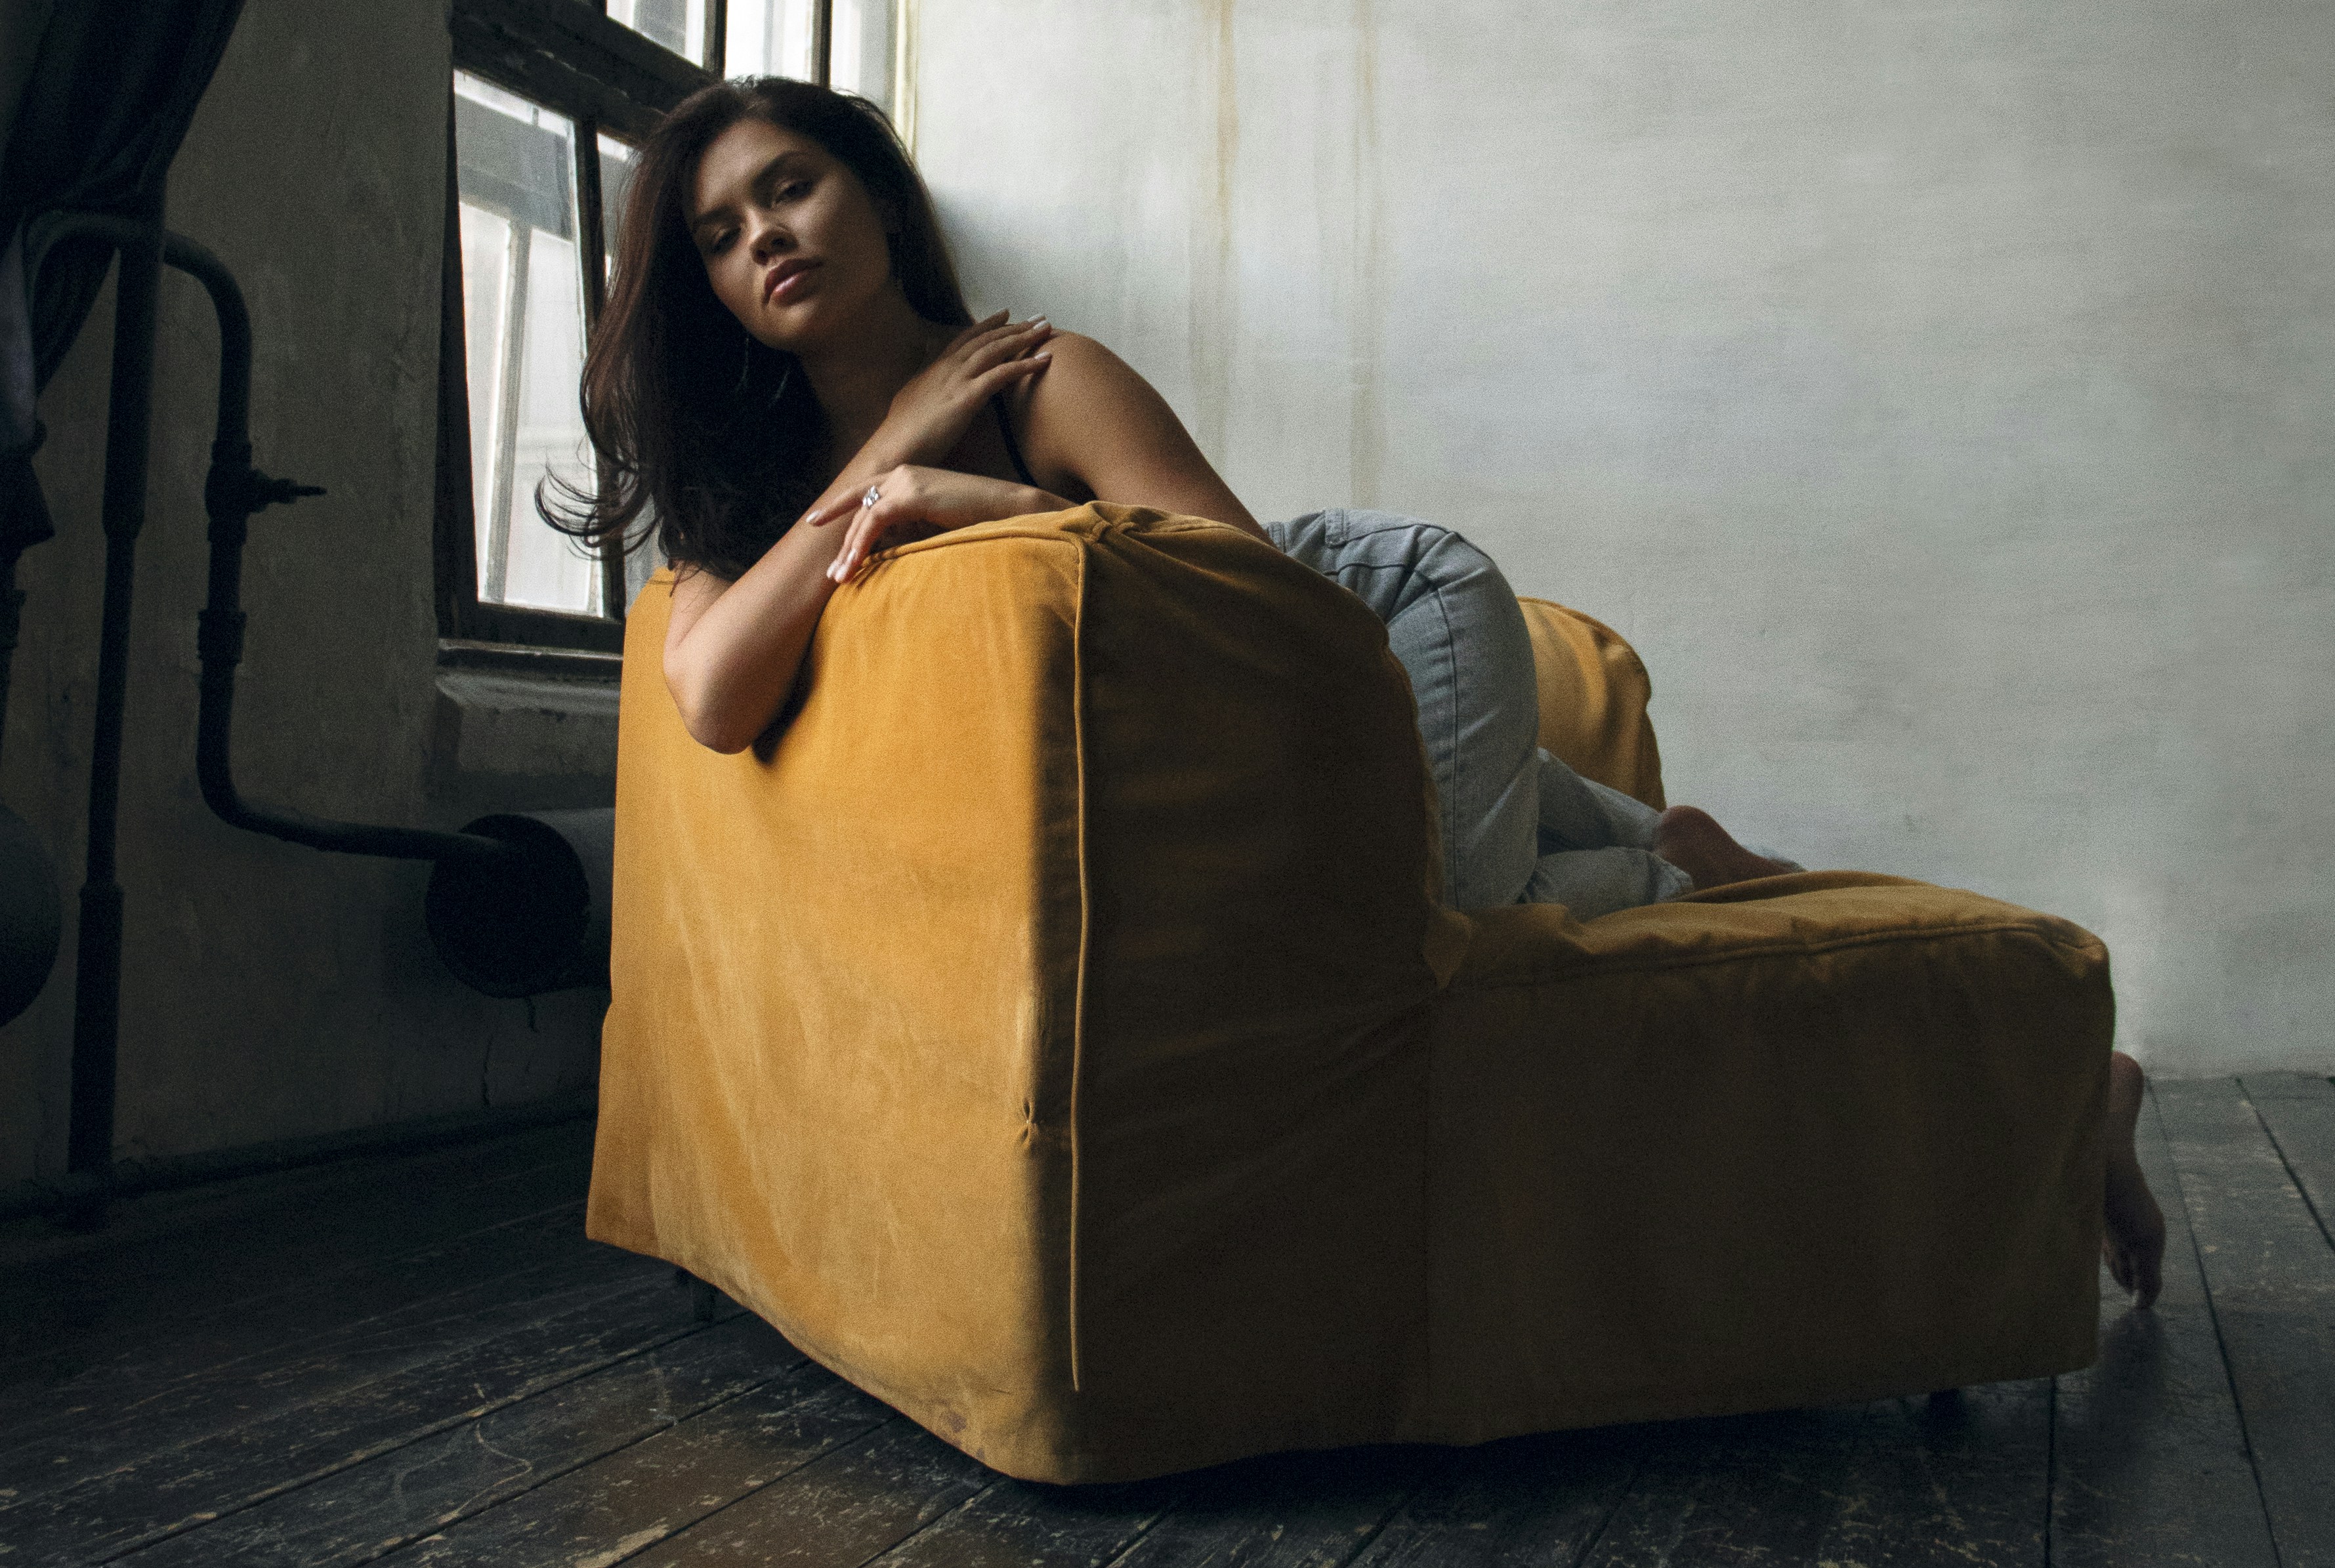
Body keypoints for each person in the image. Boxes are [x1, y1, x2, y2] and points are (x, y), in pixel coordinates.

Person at [560, 72, 2165, 1308]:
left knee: (1440, 926)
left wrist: (989, 495)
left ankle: (1670, 864)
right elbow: (710, 688)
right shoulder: (755, 479)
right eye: (719, 227)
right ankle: (2034, 1048)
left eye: (793, 185)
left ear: (878, 200)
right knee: (1611, 892)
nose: (765, 233)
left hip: (1384, 623)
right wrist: (895, 446)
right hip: (1284, 753)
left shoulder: (1040, 372)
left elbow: (1254, 607)